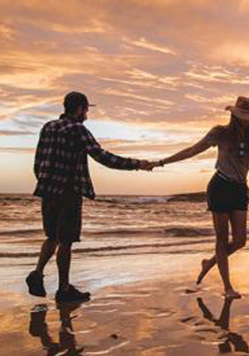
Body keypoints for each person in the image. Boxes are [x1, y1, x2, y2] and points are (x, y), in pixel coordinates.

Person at [26, 91, 155, 303]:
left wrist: (45, 181)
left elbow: (38, 162)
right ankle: (64, 289)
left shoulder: (48, 127)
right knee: (66, 240)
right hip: (68, 191)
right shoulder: (78, 130)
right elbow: (103, 157)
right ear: (78, 109)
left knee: (52, 237)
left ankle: (37, 274)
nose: (87, 114)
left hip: (47, 191)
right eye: (86, 110)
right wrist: (137, 164)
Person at [157, 96, 249, 299]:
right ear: (234, 114)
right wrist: (161, 162)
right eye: (241, 116)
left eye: (248, 116)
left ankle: (209, 263)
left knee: (240, 241)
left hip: (240, 190)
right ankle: (227, 288)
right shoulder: (220, 133)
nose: (245, 120)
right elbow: (192, 150)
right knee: (222, 240)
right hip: (220, 187)